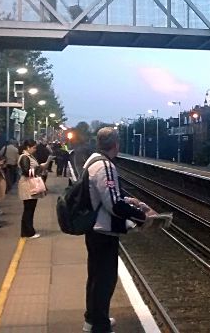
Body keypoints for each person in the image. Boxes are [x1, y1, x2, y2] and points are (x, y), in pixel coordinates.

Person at [82, 127, 154, 333]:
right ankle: (100, 326)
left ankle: (93, 319)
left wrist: (128, 201)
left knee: (96, 277)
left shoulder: (92, 160)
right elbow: (113, 204)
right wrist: (141, 218)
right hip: (103, 231)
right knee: (104, 280)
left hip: (95, 229)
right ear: (116, 144)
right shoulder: (105, 167)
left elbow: (109, 197)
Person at [17, 139, 48, 239]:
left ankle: (26, 231)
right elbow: (26, 172)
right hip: (28, 185)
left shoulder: (28, 156)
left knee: (29, 209)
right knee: (29, 209)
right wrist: (39, 167)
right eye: (34, 147)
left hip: (29, 184)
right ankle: (28, 232)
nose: (35, 149)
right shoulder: (25, 157)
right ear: (28, 147)